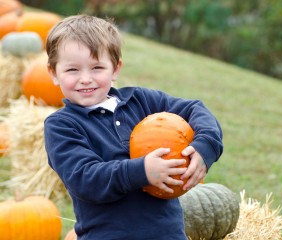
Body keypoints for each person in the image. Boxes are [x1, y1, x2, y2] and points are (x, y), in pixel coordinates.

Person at [44, 15, 223, 240]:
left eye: (97, 67)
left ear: (115, 69)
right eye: (73, 70)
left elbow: (195, 109)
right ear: (53, 73)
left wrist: (205, 147)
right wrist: (141, 172)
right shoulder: (62, 126)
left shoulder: (142, 101)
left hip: (169, 234)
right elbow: (85, 179)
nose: (86, 79)